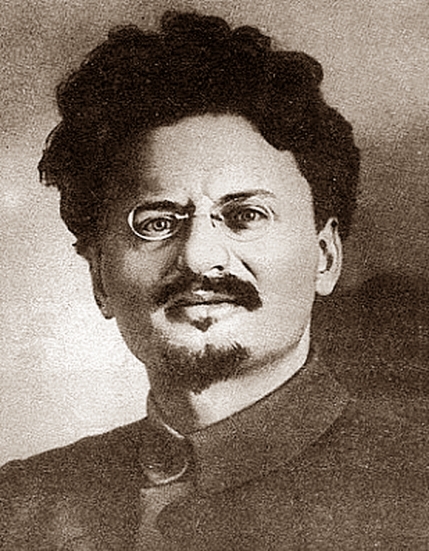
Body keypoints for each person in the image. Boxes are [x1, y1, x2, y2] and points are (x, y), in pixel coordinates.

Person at [1, 11, 428, 550]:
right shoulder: (20, 507)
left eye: (246, 215)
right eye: (157, 222)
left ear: (324, 257)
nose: (199, 257)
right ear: (100, 279)